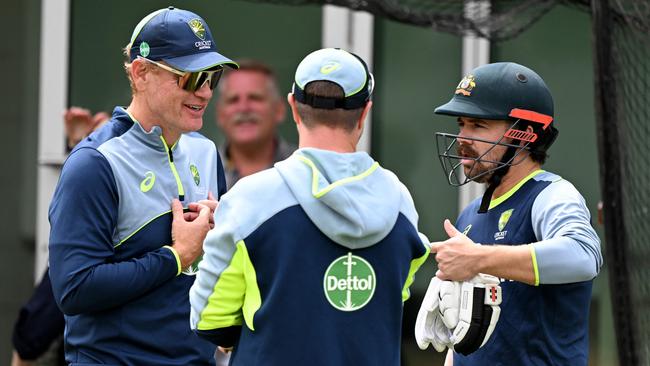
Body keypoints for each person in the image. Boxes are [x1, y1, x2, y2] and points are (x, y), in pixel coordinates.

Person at [188, 48, 430, 365]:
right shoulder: (400, 202)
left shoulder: (250, 200)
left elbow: (209, 318)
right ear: (365, 111)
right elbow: (391, 301)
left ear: (291, 106)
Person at [47, 7, 237, 365]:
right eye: (190, 77)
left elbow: (214, 268)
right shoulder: (94, 163)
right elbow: (74, 289)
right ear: (141, 72)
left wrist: (221, 235)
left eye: (212, 76)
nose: (206, 91)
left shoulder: (206, 151)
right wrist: (175, 256)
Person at [430, 62, 603, 365]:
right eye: (461, 124)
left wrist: (478, 259)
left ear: (524, 134)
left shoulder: (551, 196)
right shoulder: (470, 214)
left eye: (478, 125)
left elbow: (583, 255)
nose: (462, 138)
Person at [215, 59, 295, 189]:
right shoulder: (202, 173)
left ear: (279, 109)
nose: (243, 108)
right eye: (233, 100)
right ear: (220, 114)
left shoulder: (304, 171)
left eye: (255, 98)